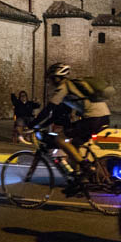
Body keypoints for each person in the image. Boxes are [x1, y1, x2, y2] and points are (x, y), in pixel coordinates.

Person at [28, 63, 112, 195]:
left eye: (51, 78)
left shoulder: (64, 87)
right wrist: (41, 125)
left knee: (60, 139)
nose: (51, 82)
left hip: (93, 119)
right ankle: (80, 180)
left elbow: (49, 109)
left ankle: (86, 166)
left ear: (57, 77)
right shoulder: (73, 88)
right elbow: (57, 114)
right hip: (103, 117)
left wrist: (32, 125)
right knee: (74, 145)